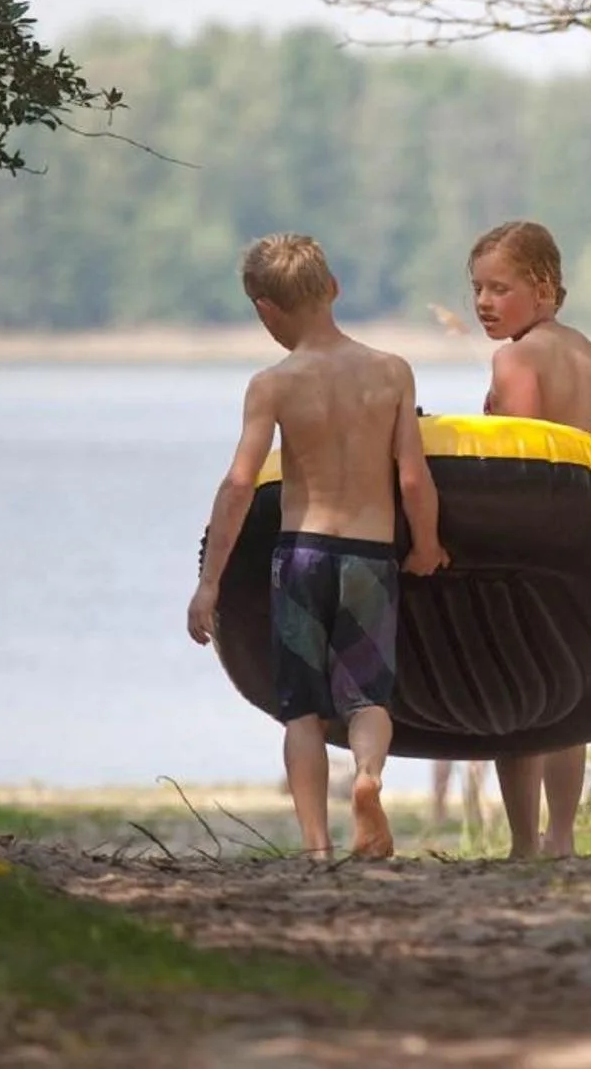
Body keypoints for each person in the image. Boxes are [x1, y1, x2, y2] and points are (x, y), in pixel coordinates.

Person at [186, 233, 449, 861]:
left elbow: (240, 484)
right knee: (367, 697)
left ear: (264, 310)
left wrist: (210, 583)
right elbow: (413, 477)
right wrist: (428, 547)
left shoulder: (273, 384)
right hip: (369, 555)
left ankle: (315, 847)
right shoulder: (390, 371)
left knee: (301, 711)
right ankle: (368, 777)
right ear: (334, 289)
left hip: (301, 556)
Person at [468, 218, 591, 858]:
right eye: (477, 288)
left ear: (542, 287)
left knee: (519, 695)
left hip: (526, 551)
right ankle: (564, 838)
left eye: (500, 288)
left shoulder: (516, 357)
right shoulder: (589, 354)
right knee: (565, 697)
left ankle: (524, 845)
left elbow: (524, 455)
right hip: (582, 553)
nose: (484, 303)